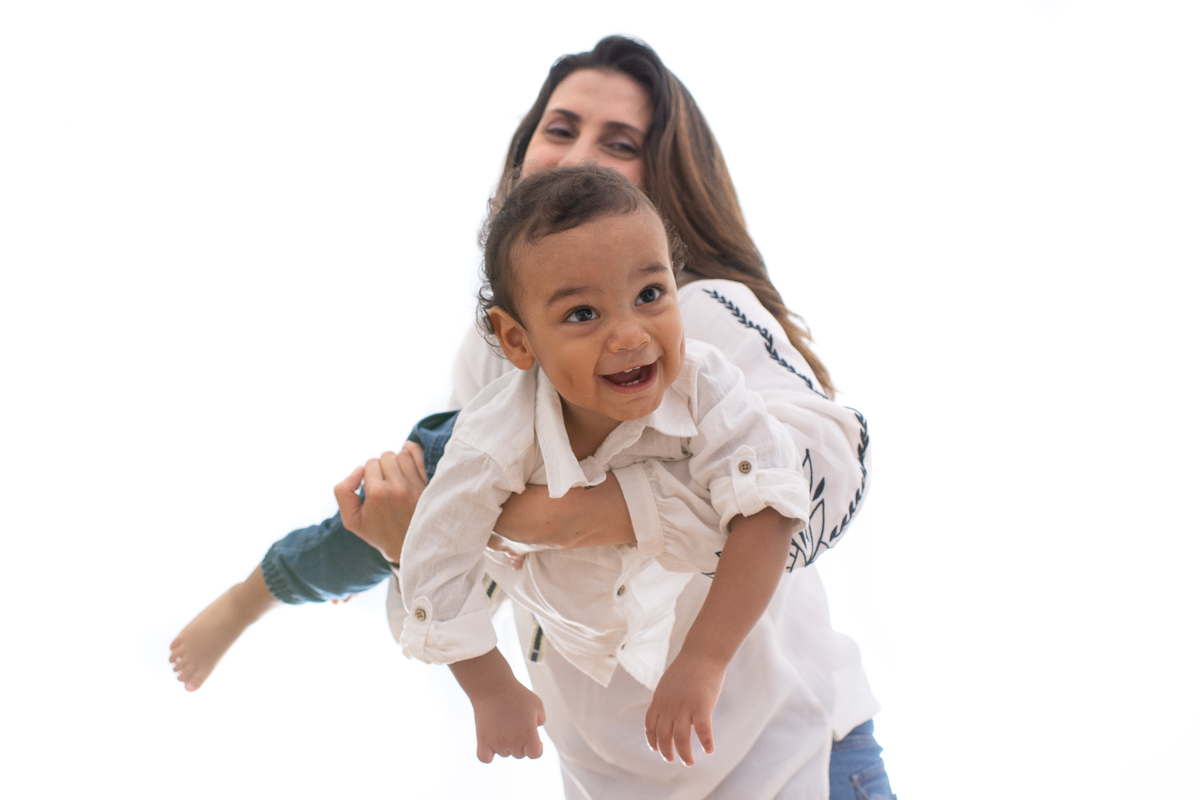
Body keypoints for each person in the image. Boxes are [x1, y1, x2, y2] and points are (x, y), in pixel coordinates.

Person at [170, 36, 894, 799]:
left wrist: (604, 513)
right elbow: (468, 566)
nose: (580, 153)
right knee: (403, 494)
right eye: (560, 128)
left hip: (788, 757)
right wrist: (412, 543)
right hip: (612, 776)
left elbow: (823, 467)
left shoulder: (699, 320)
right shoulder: (493, 371)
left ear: (660, 187)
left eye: (620, 142)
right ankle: (265, 588)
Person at [398, 164, 811, 767]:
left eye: (650, 295)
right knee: (362, 518)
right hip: (438, 457)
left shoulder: (707, 383)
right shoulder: (493, 439)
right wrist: (490, 687)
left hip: (771, 740)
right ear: (518, 341)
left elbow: (769, 508)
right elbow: (435, 559)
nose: (628, 335)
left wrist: (703, 659)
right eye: (583, 314)